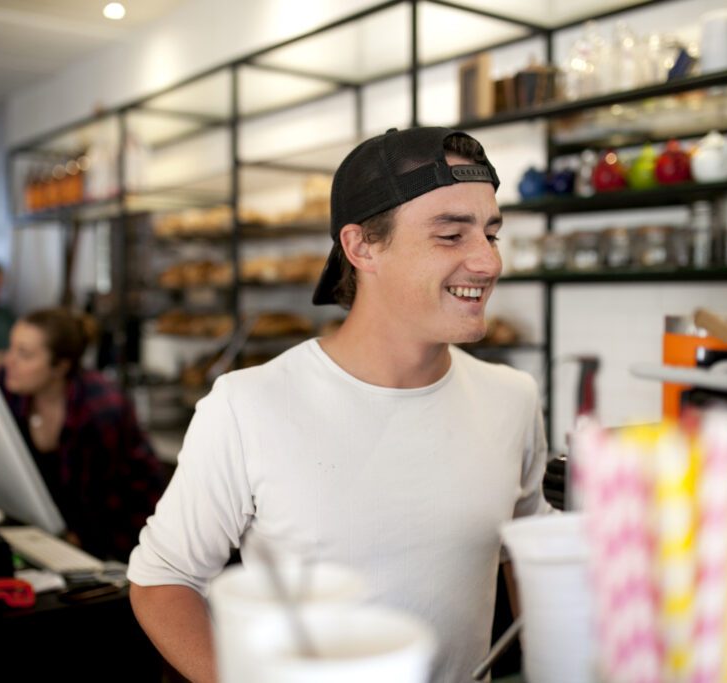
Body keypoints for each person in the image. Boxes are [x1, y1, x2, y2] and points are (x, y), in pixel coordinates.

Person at [127, 127, 547, 682]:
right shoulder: (248, 405)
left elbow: (528, 552)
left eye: (490, 234)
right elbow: (164, 578)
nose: (488, 262)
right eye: (451, 235)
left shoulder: (511, 399)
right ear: (361, 246)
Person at [0, 307, 166, 562]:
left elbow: (100, 508)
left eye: (25, 354)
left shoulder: (101, 407)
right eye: (11, 348)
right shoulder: (12, 391)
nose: (9, 361)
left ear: (60, 367)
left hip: (125, 543)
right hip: (58, 533)